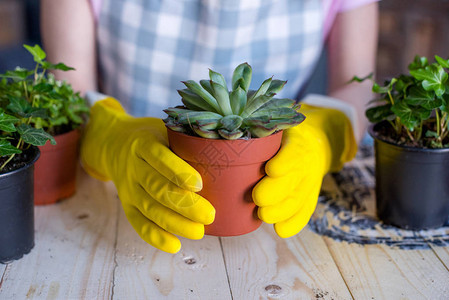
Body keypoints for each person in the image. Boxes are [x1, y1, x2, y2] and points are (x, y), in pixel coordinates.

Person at [40, 0, 378, 253]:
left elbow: (358, 82)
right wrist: (109, 135)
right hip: (119, 197)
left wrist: (325, 131)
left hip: (281, 194)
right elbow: (67, 87)